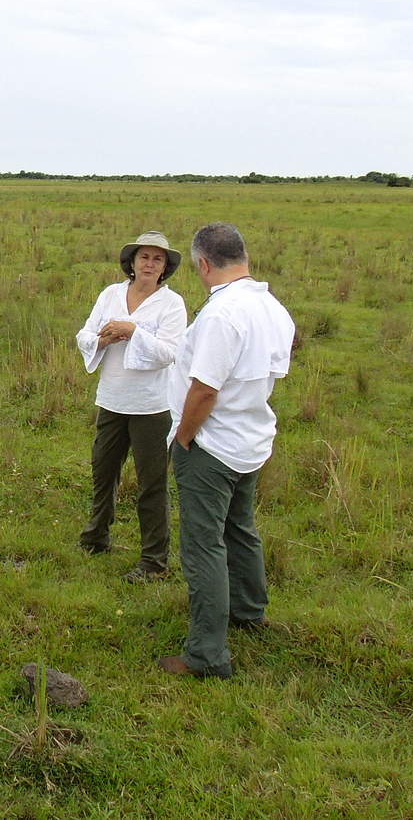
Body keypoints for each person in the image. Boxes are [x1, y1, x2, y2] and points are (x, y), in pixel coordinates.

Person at [157, 222, 295, 678]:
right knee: (240, 528)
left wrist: (183, 437)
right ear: (242, 257)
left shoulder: (222, 314)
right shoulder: (272, 307)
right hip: (251, 438)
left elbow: (204, 390)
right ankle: (249, 611)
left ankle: (206, 654)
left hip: (212, 445)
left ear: (202, 263)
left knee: (203, 546)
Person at [75, 231, 188, 582]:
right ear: (132, 262)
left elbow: (172, 352)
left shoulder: (172, 304)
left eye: (158, 259)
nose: (150, 264)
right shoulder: (110, 294)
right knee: (103, 471)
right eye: (144, 257)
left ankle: (154, 561)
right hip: (112, 398)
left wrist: (132, 331)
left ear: (166, 267)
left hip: (152, 407)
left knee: (151, 483)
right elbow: (85, 334)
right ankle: (96, 537)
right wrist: (102, 338)